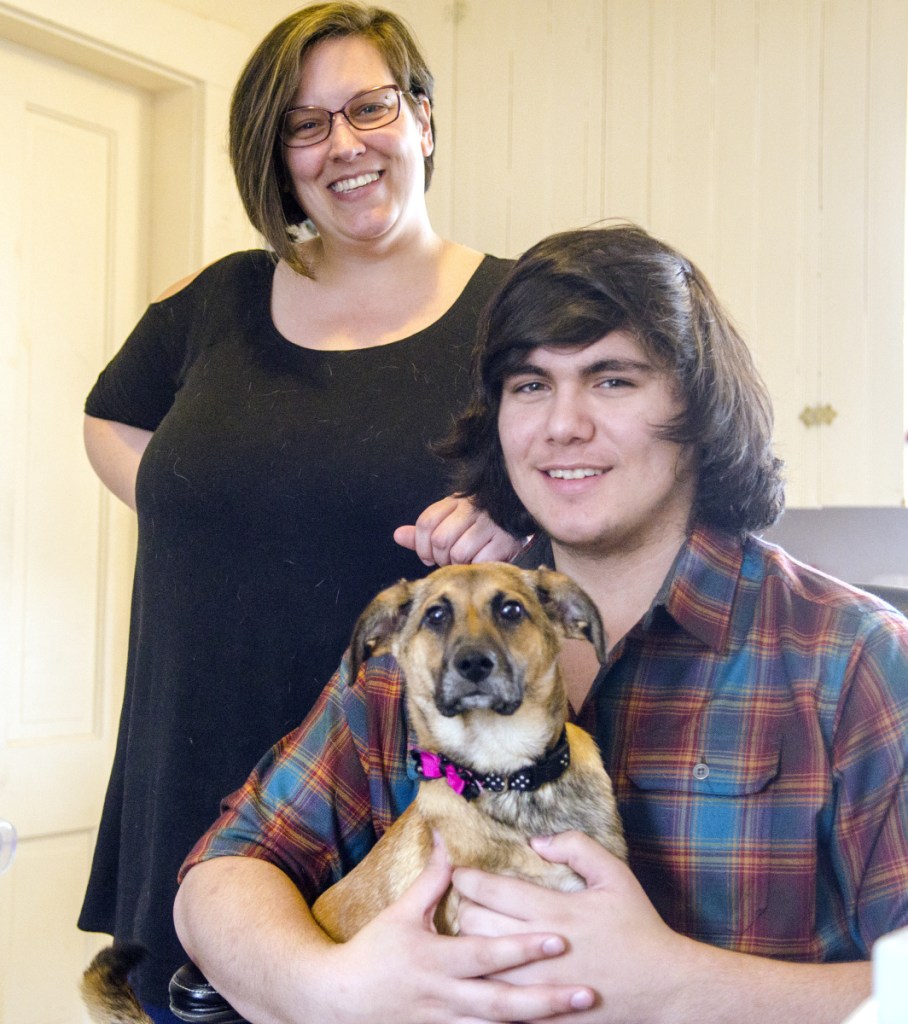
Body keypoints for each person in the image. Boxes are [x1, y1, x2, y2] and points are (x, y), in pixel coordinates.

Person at [174, 224, 908, 1024]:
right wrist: (330, 990)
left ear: (697, 410)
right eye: (529, 386)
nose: (562, 426)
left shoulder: (849, 661)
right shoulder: (429, 651)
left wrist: (676, 986)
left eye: (612, 380)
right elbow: (222, 873)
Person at [78, 3, 518, 1016]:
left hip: (400, 811)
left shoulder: (513, 311)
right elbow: (108, 415)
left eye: (368, 107)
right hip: (191, 761)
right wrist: (180, 502)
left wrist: (510, 518)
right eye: (305, 124)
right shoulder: (216, 302)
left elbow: (594, 480)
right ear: (275, 157)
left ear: (422, 120)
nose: (344, 146)